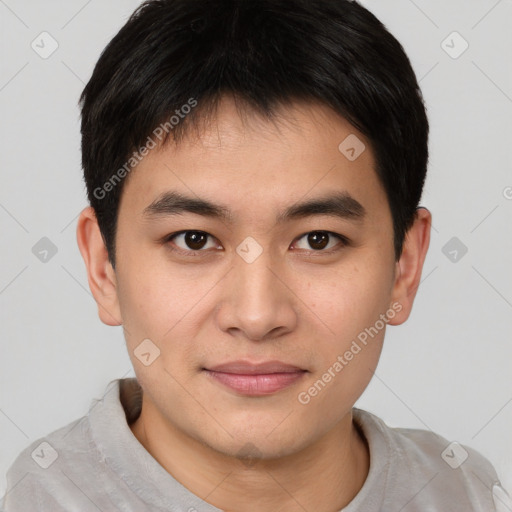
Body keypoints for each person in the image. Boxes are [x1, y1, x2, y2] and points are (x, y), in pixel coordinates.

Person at [2, 0, 510, 510]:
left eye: (318, 240)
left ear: (405, 265)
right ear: (103, 266)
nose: (257, 315)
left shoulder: (464, 492)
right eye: (194, 239)